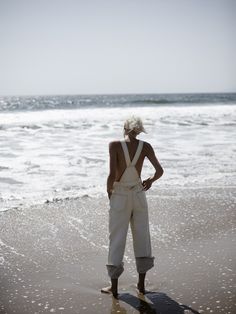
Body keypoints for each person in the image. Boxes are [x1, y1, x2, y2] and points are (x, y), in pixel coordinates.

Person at [101, 116, 164, 298]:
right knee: (142, 237)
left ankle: (114, 288)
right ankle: (141, 285)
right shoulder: (145, 146)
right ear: (139, 129)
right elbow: (159, 171)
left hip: (120, 194)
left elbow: (112, 174)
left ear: (125, 128)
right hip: (138, 194)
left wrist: (109, 192)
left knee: (117, 239)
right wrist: (150, 181)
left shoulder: (114, 145)